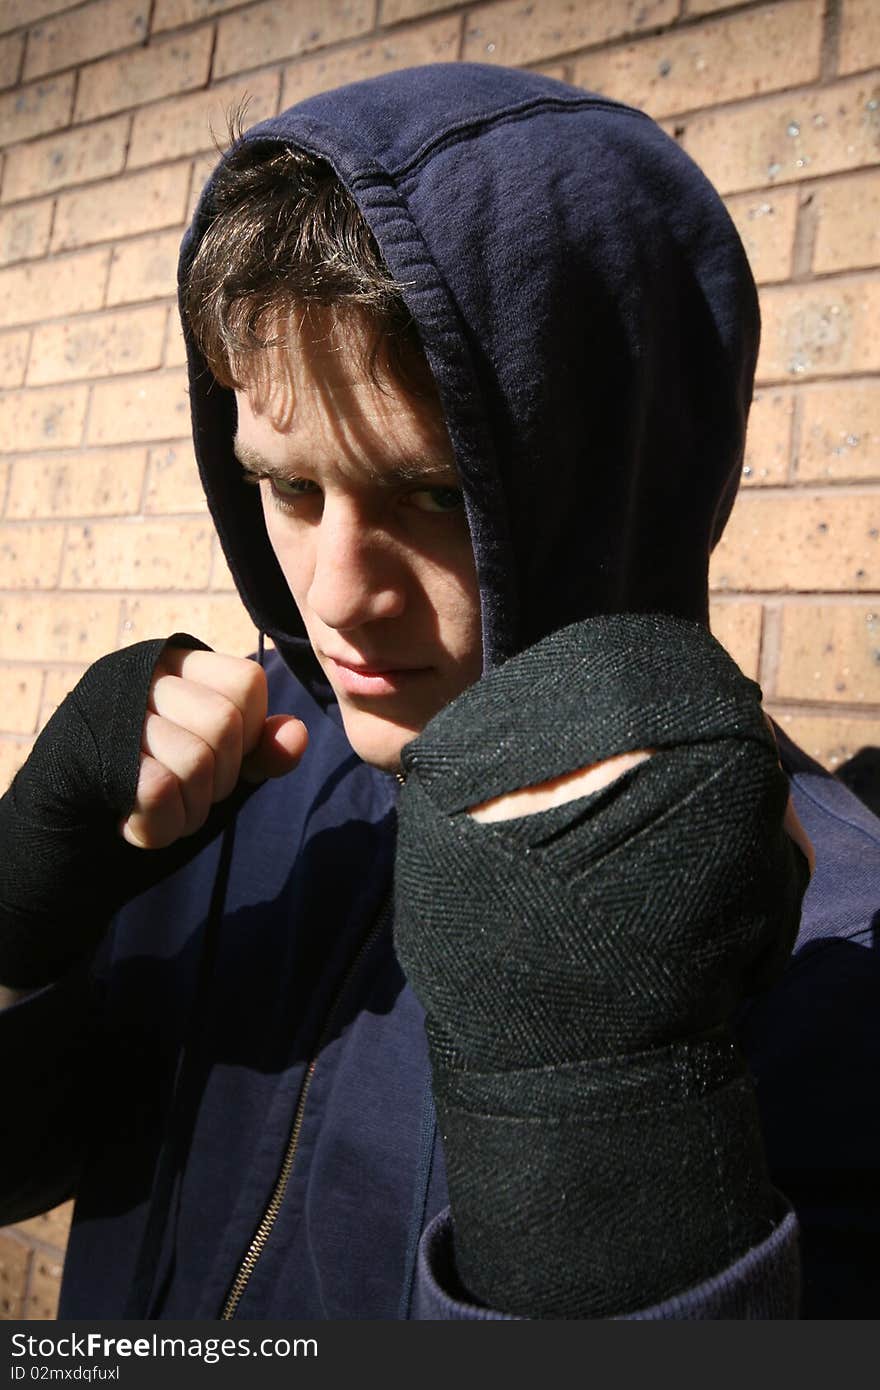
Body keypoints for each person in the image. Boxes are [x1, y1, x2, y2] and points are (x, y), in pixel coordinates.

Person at [1, 64, 877, 1320]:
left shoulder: (831, 950)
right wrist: (22, 914)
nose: (338, 594)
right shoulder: (244, 772)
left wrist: (606, 1164)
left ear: (616, 476)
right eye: (291, 489)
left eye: (433, 496)